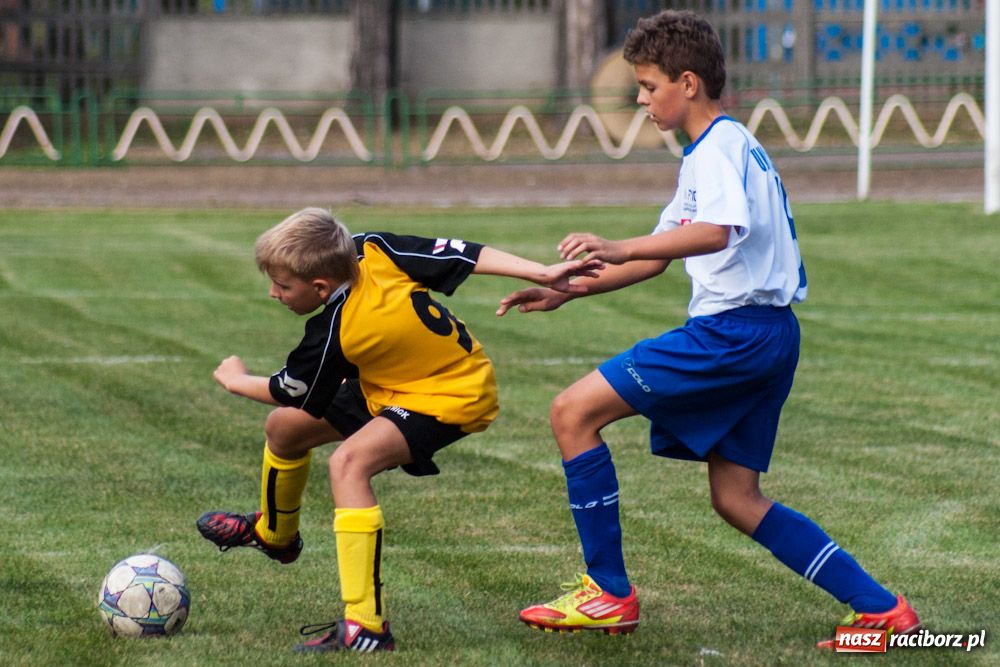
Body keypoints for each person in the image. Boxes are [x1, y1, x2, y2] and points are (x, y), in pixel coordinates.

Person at [497, 10, 920, 647]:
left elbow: (717, 233)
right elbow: (666, 250)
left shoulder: (720, 147)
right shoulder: (717, 149)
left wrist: (612, 244)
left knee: (571, 413)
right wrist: (569, 289)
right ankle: (883, 609)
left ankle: (609, 593)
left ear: (687, 82)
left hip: (734, 334)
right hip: (768, 335)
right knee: (737, 498)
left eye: (648, 86)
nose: (639, 99)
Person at [197, 207, 601, 653]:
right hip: (391, 386)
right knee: (285, 430)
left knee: (349, 464)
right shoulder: (371, 247)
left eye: (282, 285)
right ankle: (276, 534)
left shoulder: (336, 330)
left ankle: (365, 626)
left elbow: (286, 388)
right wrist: (542, 270)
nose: (274, 293)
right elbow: (465, 254)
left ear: (319, 286)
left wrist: (235, 380)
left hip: (450, 394)